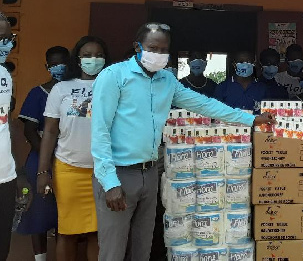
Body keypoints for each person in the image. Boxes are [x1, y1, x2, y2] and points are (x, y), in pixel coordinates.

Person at [90, 23, 275, 260]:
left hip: (149, 173)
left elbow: (205, 105)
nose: (157, 54)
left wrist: (250, 119)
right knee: (113, 251)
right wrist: (109, 182)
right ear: (138, 47)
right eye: (152, 48)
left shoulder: (166, 80)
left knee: (141, 248)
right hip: (118, 174)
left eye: (163, 50)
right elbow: (100, 130)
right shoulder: (114, 76)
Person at [36, 36, 109, 261]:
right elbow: (49, 131)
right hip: (68, 170)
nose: (92, 59)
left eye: (98, 55)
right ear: (77, 59)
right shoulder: (61, 89)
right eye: (87, 55)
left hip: (103, 173)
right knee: (67, 232)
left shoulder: (114, 88)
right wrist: (42, 171)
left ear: (105, 60)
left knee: (97, 234)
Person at [17, 46, 69, 260]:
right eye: (54, 64)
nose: (59, 67)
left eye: (63, 62)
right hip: (40, 160)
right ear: (46, 66)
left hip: (69, 160)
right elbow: (29, 130)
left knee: (63, 216)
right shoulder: (37, 93)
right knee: (39, 212)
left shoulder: (74, 91)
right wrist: (48, 156)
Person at [0, 14, 31, 261]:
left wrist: (18, 170)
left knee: (2, 247)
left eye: (8, 37)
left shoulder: (4, 75)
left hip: (5, 177)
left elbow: (5, 124)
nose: (6, 43)